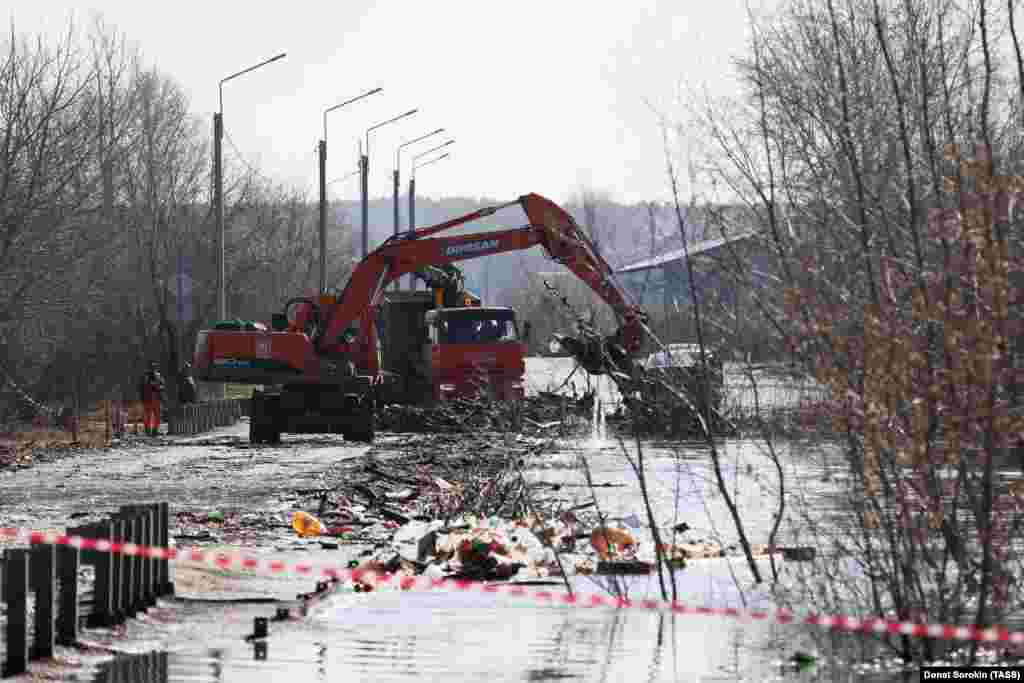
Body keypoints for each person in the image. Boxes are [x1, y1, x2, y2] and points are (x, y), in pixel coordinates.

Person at [139, 362, 165, 436]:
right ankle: (148, 430)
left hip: (156, 398)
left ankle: (155, 430)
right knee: (148, 416)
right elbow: (142, 387)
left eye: (154, 367)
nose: (153, 369)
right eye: (151, 367)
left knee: (158, 416)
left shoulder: (158, 376)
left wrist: (159, 387)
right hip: (148, 398)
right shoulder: (145, 376)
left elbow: (162, 385)